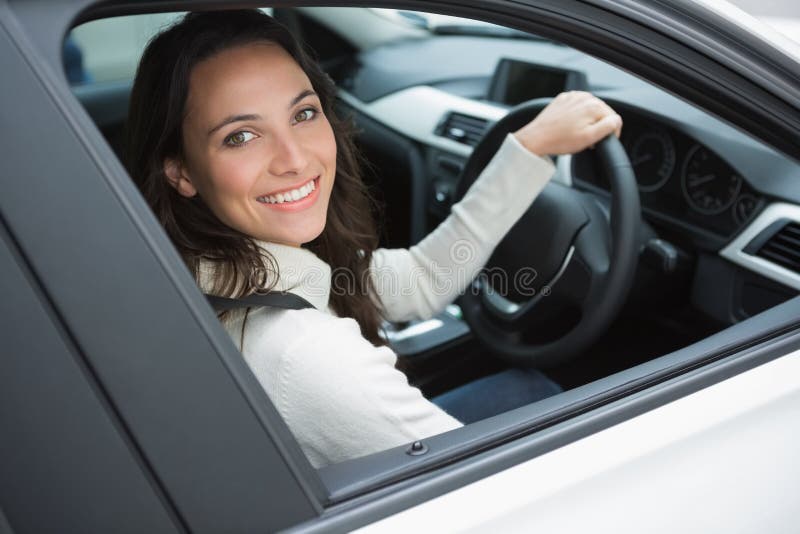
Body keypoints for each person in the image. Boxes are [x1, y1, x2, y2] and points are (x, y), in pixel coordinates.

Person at [126, 10, 623, 468]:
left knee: (525, 386)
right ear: (180, 171)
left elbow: (421, 280)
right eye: (241, 136)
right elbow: (482, 487)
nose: (294, 159)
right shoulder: (306, 355)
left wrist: (530, 148)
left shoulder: (217, 264)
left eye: (303, 114)